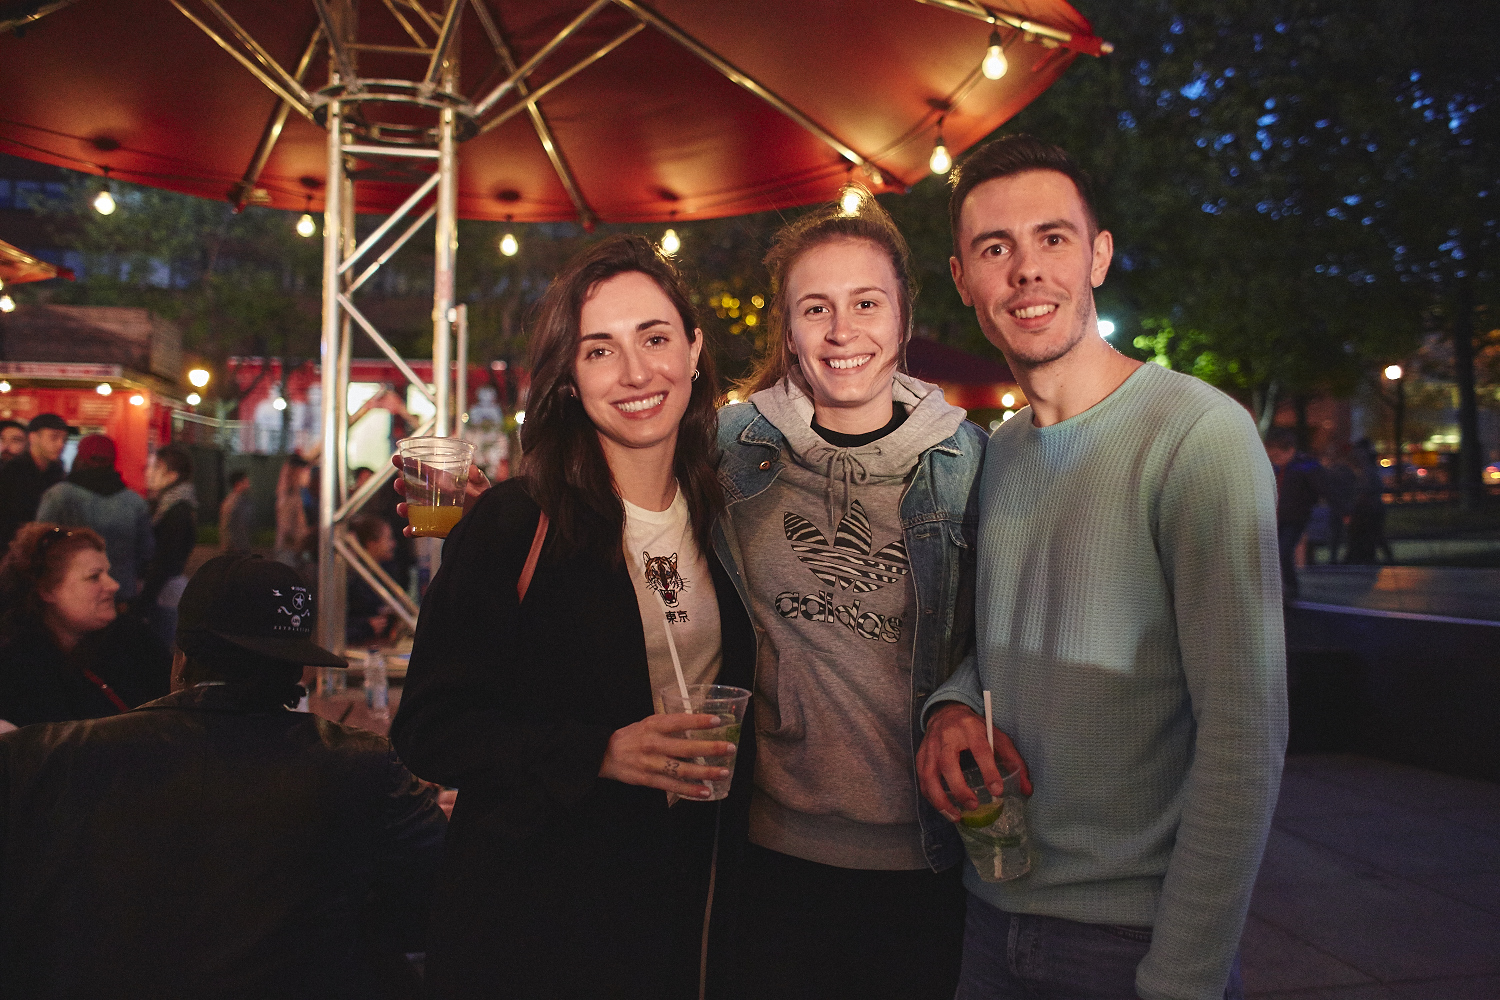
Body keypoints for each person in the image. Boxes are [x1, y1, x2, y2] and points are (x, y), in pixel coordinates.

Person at [919, 135, 1286, 1000]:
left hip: (1131, 940)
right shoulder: (998, 454)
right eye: (995, 249)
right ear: (963, 279)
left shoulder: (1198, 436)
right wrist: (951, 708)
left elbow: (1245, 736)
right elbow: (1005, 639)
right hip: (989, 913)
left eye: (1052, 238)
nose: (1025, 270)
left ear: (1098, 256)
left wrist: (1184, 976)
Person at [390, 235, 756, 999]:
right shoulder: (515, 522)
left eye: (654, 338)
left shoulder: (725, 516)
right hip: (537, 925)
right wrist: (598, 752)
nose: (636, 373)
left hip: (680, 909)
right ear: (569, 379)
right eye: (599, 350)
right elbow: (429, 728)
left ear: (693, 350)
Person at [712, 193, 985, 1000]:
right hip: (767, 852)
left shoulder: (970, 464)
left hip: (925, 857)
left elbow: (1003, 631)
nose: (841, 331)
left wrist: (963, 700)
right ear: (788, 330)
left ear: (903, 319)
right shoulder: (730, 449)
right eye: (815, 308)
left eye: (866, 303)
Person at [0, 553, 447, 999]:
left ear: (181, 660)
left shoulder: (51, 757)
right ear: (299, 670)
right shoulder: (364, 767)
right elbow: (437, 904)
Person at [0, 523, 169, 730]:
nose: (113, 585)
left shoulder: (133, 639)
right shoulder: (16, 672)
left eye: (108, 573)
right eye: (94, 577)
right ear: (46, 590)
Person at [37, 433, 155, 601]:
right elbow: (146, 551)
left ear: (79, 458)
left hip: (70, 593)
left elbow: (40, 542)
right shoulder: (134, 501)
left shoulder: (58, 495)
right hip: (120, 590)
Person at [136, 445, 198, 647]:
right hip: (161, 590)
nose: (148, 472)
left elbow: (166, 560)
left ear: (172, 476)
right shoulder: (165, 504)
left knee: (159, 647)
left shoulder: (177, 511)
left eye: (155, 468)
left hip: (163, 592)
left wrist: (143, 601)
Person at [1264, 427, 1326, 599]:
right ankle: (1281, 586)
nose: (1275, 460)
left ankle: (1290, 587)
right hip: (1278, 517)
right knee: (1275, 552)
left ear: (1290, 450)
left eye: (1277, 456)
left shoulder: (1304, 467)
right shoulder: (1279, 468)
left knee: (1283, 550)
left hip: (1294, 517)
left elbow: (1322, 488)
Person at [0, 413, 73, 548]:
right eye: (54, 437)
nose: (61, 444)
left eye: (64, 439)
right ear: (33, 437)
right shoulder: (13, 471)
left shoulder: (57, 472)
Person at [346, 512, 399, 648]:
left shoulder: (384, 573)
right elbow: (337, 625)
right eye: (388, 539)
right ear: (371, 543)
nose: (393, 544)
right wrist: (367, 626)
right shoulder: (352, 579)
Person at [1344, 438, 1392, 564]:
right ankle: (1374, 559)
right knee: (1373, 535)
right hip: (1369, 507)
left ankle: (1358, 559)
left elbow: (1368, 489)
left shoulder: (1367, 470)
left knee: (1370, 534)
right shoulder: (1366, 469)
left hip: (1369, 508)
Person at [275, 453, 311, 567]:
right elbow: (286, 527)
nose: (304, 473)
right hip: (289, 551)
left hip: (294, 549)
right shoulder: (288, 497)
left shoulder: (295, 494)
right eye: (301, 470)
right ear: (294, 471)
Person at [218, 469, 255, 553]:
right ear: (238, 483)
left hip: (237, 548)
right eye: (246, 481)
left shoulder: (238, 500)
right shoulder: (234, 502)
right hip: (235, 550)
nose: (249, 484)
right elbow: (229, 526)